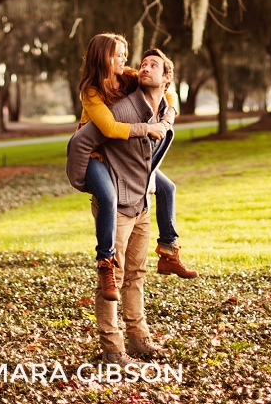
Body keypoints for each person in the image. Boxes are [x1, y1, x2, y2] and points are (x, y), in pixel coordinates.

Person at [67, 48, 178, 364]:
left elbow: (165, 121)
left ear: (166, 79)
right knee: (112, 276)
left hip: (141, 201)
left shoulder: (158, 107)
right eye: (141, 64)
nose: (142, 67)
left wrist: (167, 116)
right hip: (115, 204)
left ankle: (139, 337)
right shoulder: (121, 109)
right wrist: (83, 179)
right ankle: (113, 349)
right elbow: (80, 143)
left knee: (136, 274)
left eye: (152, 64)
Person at [78, 33, 196, 303]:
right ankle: (106, 263)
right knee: (109, 197)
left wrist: (167, 118)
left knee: (167, 188)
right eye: (119, 54)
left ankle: (168, 252)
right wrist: (149, 128)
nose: (126, 59)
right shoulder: (91, 90)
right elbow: (108, 128)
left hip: (124, 155)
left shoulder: (127, 77)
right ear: (105, 57)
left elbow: (168, 92)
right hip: (97, 156)